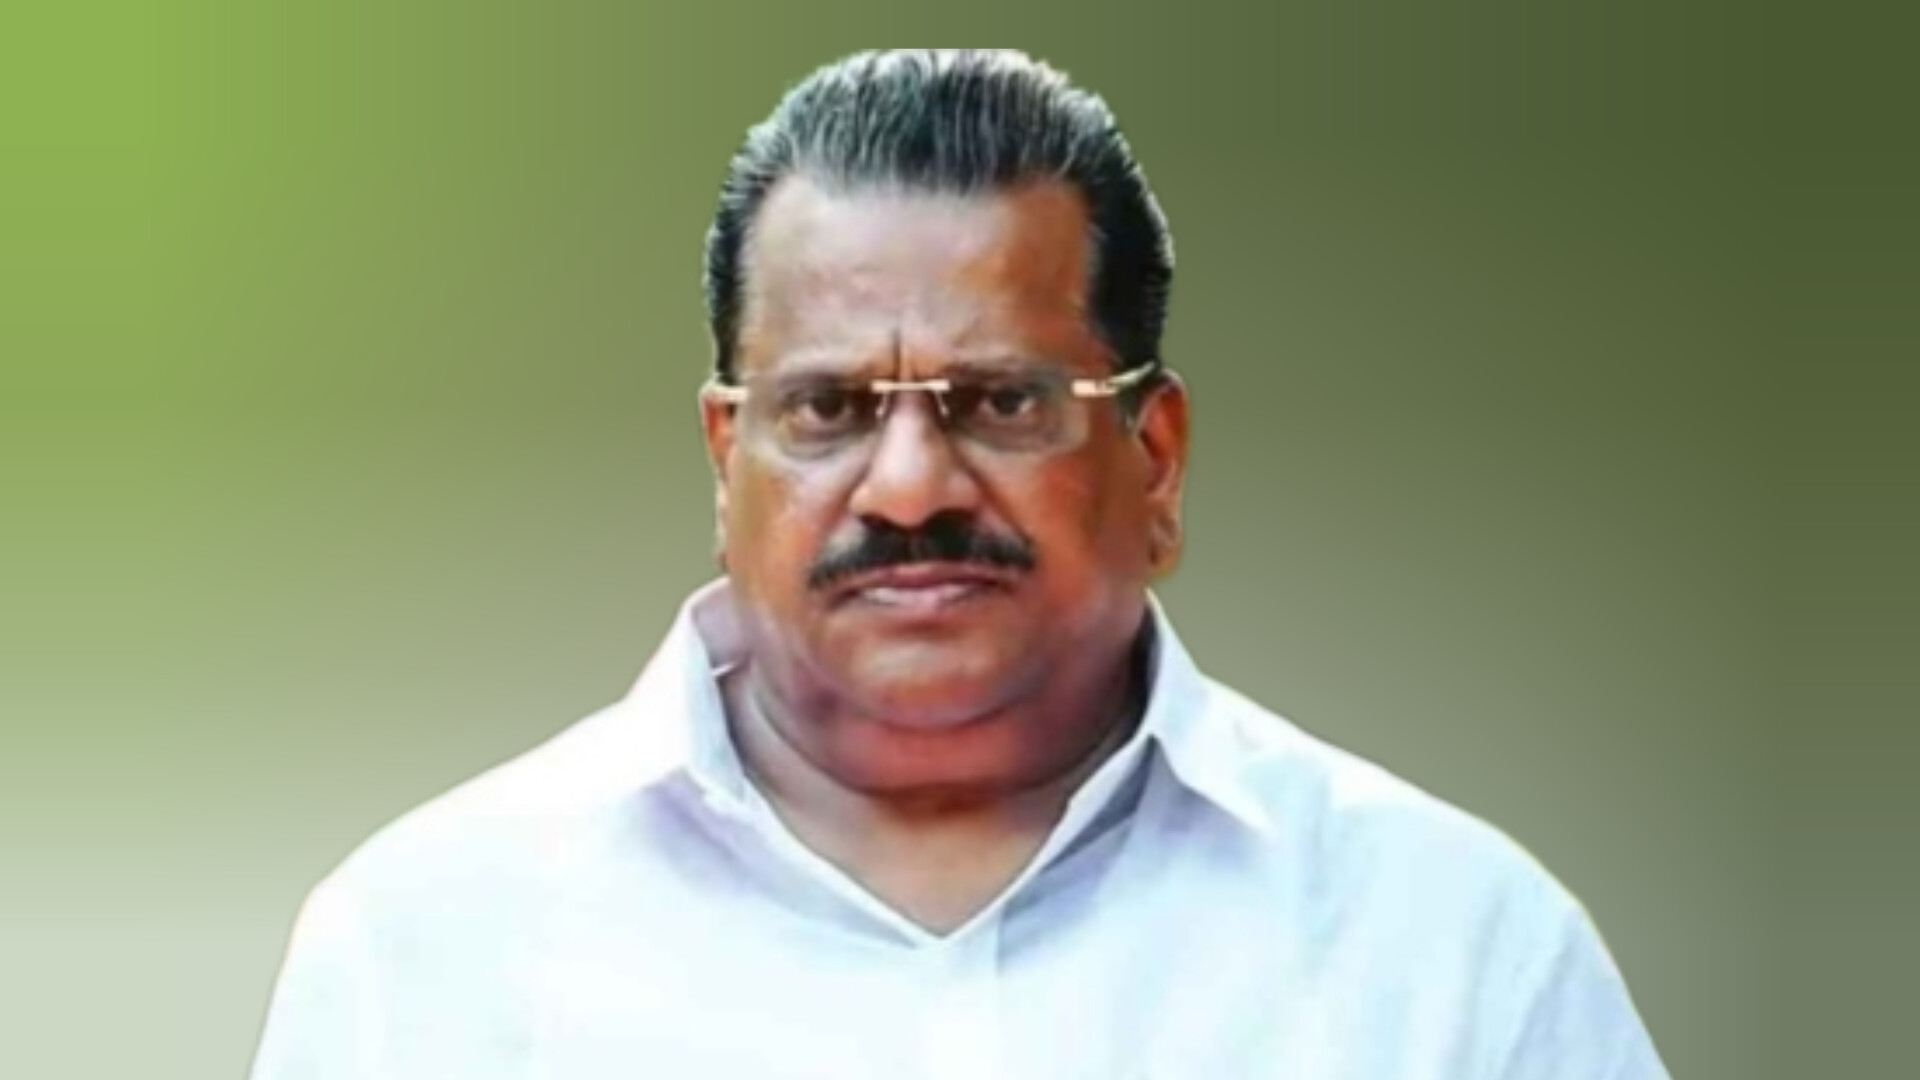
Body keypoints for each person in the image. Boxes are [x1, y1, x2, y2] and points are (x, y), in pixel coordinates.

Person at [249, 49, 1671, 1079]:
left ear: (1156, 458)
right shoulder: (425, 950)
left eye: (1000, 402)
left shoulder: (1451, 951)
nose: (910, 487)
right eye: (827, 409)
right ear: (725, 461)